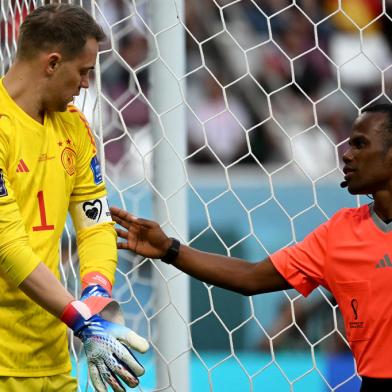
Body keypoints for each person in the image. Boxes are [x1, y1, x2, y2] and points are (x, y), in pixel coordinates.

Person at [110, 103, 392, 392]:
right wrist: (169, 249)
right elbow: (251, 277)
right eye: (348, 144)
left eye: (360, 144)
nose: (346, 154)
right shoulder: (340, 233)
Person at [0, 4, 148, 392]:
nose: (86, 84)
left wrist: (95, 297)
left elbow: (96, 223)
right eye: (83, 71)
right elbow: (8, 247)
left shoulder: (74, 126)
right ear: (52, 63)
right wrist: (81, 320)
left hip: (52, 357)